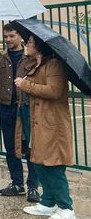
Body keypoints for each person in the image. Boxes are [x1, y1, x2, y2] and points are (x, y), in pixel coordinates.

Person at [18, 34, 76, 219]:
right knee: (41, 163)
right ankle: (48, 202)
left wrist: (26, 84)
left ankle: (66, 207)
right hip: (40, 123)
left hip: (53, 125)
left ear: (39, 45)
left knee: (53, 165)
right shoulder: (39, 64)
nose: (27, 44)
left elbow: (54, 90)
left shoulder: (54, 65)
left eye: (30, 42)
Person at [0, 24, 40, 202]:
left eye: (11, 36)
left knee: (29, 147)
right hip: (6, 107)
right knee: (10, 147)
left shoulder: (28, 57)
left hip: (25, 107)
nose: (8, 40)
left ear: (20, 37)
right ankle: (16, 183)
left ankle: (33, 187)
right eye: (6, 36)